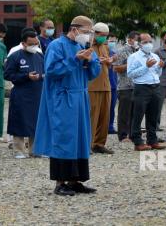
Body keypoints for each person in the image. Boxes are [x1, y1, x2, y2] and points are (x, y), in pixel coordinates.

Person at [33, 15, 100, 196]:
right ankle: (60, 182)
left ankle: (75, 180)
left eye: (89, 33)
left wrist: (90, 60)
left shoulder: (80, 46)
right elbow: (52, 71)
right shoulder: (56, 45)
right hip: (63, 97)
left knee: (80, 137)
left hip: (80, 96)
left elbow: (92, 73)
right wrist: (75, 60)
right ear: (74, 29)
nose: (88, 36)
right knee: (64, 137)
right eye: (86, 32)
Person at [4, 28, 44, 159]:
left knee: (36, 121)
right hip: (21, 93)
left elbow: (45, 72)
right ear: (24, 43)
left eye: (36, 43)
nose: (34, 46)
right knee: (19, 121)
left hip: (37, 93)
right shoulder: (15, 56)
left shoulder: (39, 56)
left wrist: (42, 76)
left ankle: (35, 150)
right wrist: (26, 76)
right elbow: (8, 74)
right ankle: (19, 150)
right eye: (31, 44)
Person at [127, 33, 166, 151]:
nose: (148, 44)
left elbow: (157, 74)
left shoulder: (155, 56)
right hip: (142, 88)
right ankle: (137, 141)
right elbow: (130, 74)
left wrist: (160, 67)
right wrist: (146, 66)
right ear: (139, 44)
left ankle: (152, 140)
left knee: (153, 115)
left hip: (155, 86)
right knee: (138, 115)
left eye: (150, 41)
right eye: (145, 42)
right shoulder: (134, 57)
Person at [89, 23, 114, 154]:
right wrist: (97, 60)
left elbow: (108, 63)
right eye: (102, 35)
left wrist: (109, 61)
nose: (104, 38)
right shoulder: (87, 46)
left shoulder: (105, 46)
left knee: (105, 117)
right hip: (92, 85)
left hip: (106, 85)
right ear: (95, 33)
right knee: (92, 116)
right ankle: (88, 144)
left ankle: (99, 144)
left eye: (106, 36)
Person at [112, 31, 139, 142]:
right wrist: (130, 65)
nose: (139, 42)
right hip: (125, 86)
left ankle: (133, 134)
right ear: (130, 40)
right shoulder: (122, 51)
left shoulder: (139, 51)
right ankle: (123, 135)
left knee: (135, 112)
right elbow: (116, 68)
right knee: (124, 112)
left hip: (137, 85)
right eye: (137, 40)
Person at [154, 30, 166, 132]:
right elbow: (155, 66)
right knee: (158, 104)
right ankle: (156, 125)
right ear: (162, 39)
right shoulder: (157, 51)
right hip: (162, 80)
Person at [107, 33, 118, 134]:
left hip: (114, 84)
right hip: (105, 85)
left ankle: (110, 126)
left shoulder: (114, 53)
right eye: (111, 41)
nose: (113, 43)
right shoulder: (103, 52)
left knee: (112, 107)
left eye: (114, 41)